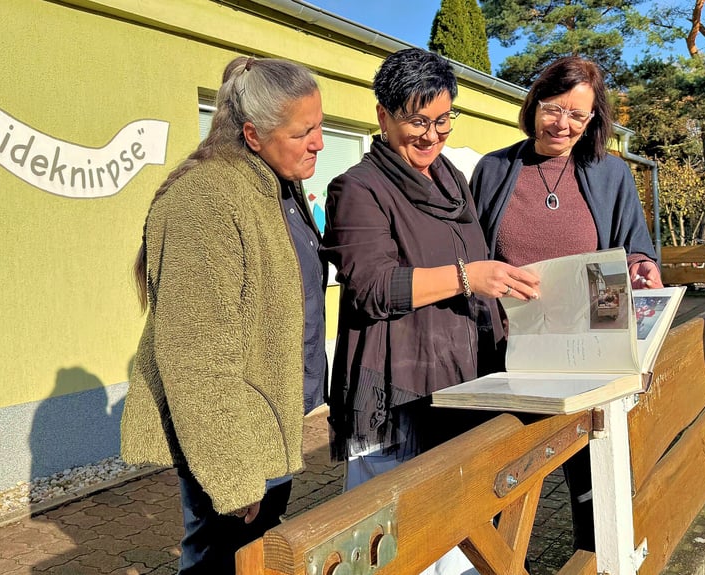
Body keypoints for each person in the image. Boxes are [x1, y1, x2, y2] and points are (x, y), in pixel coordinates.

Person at [322, 48, 540, 575]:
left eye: (442, 120)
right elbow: (373, 288)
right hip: (398, 396)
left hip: (458, 383)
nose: (431, 135)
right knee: (402, 549)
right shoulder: (358, 188)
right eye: (417, 121)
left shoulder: (450, 181)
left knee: (460, 544)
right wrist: (470, 277)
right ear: (383, 115)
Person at [119, 56, 327, 575]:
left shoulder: (274, 184)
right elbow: (194, 356)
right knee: (219, 561)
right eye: (304, 132)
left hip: (268, 425)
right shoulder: (206, 198)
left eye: (320, 126)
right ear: (253, 135)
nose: (320, 143)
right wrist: (233, 478)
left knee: (256, 556)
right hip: (232, 442)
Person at [471, 56, 663, 552]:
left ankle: (597, 559)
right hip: (513, 355)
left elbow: (633, 244)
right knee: (507, 479)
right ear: (534, 105)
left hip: (589, 357)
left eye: (578, 116)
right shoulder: (494, 169)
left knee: (593, 480)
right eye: (554, 109)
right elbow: (473, 254)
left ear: (594, 121)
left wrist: (643, 265)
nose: (563, 124)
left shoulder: (610, 172)